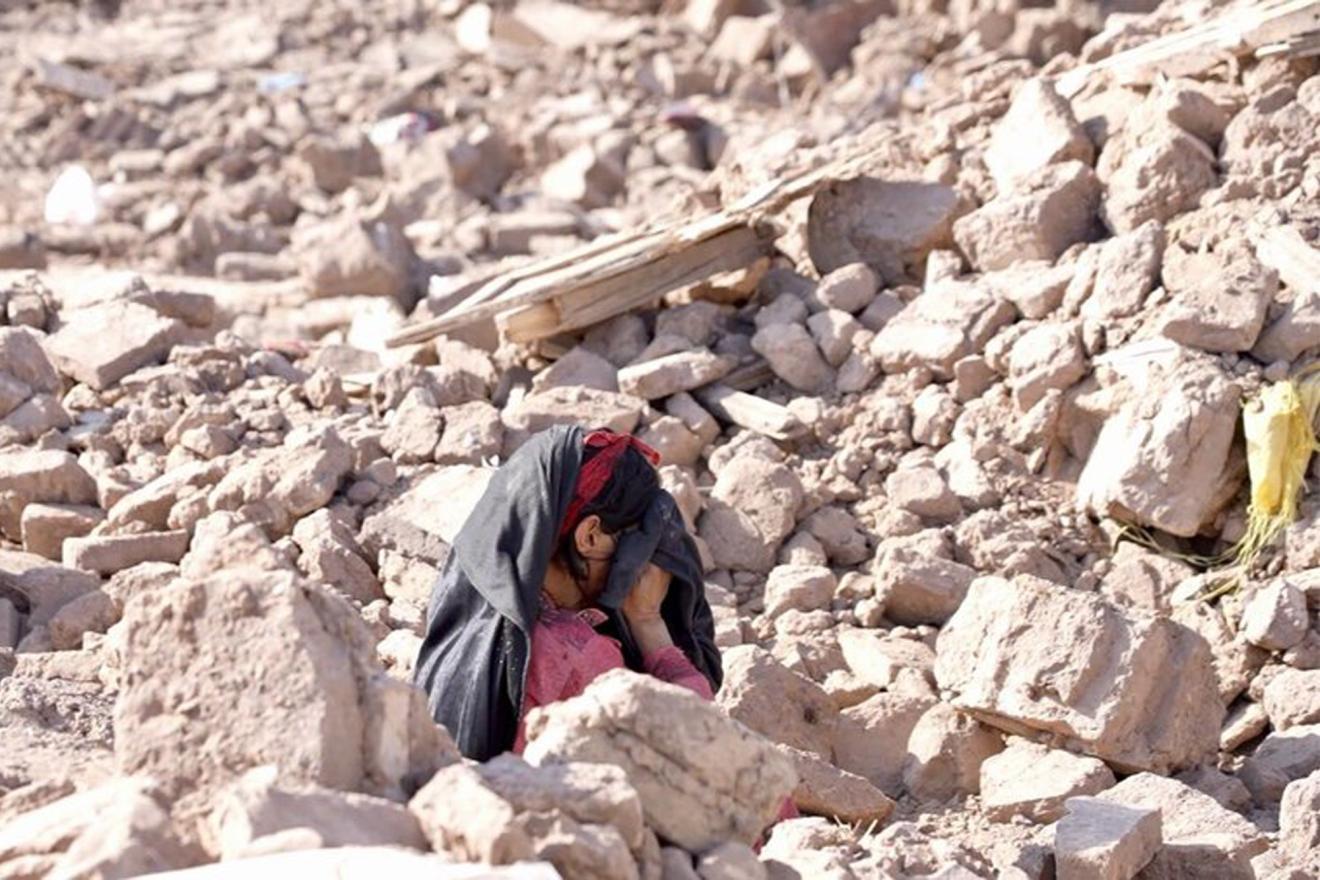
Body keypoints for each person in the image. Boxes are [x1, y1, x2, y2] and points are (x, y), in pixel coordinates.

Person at [414, 424, 722, 761]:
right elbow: (707, 750)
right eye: (635, 541)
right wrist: (649, 623)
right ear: (589, 535)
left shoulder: (471, 598)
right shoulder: (577, 654)